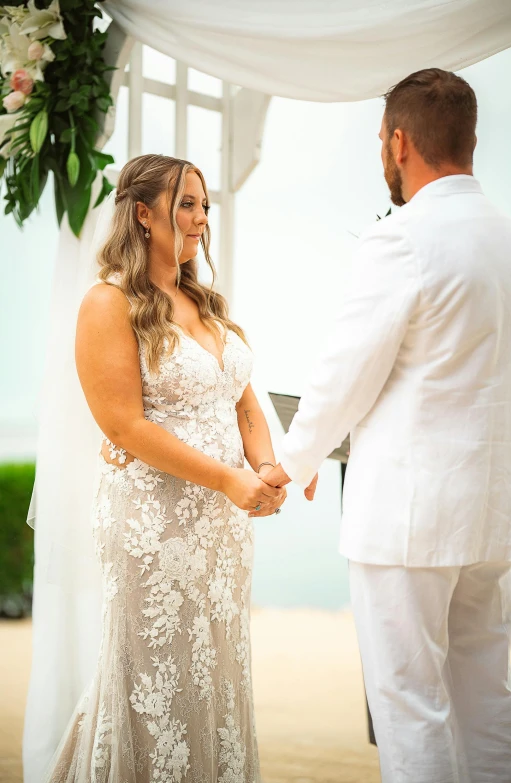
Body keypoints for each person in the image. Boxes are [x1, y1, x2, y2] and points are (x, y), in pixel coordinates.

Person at [265, 68, 511, 782]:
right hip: (494, 515)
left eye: (382, 139)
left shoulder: (403, 240)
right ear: (471, 139)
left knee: (410, 707)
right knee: (486, 696)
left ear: (399, 142)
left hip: (408, 522)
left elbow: (346, 371)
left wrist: (293, 459)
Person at [43, 154, 287, 781]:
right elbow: (123, 426)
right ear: (142, 214)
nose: (201, 218)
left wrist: (264, 467)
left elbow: (244, 400)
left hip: (223, 529)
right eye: (187, 203)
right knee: (157, 675)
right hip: (154, 526)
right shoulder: (108, 303)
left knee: (218, 672)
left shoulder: (204, 305)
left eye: (205, 205)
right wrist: (230, 478)